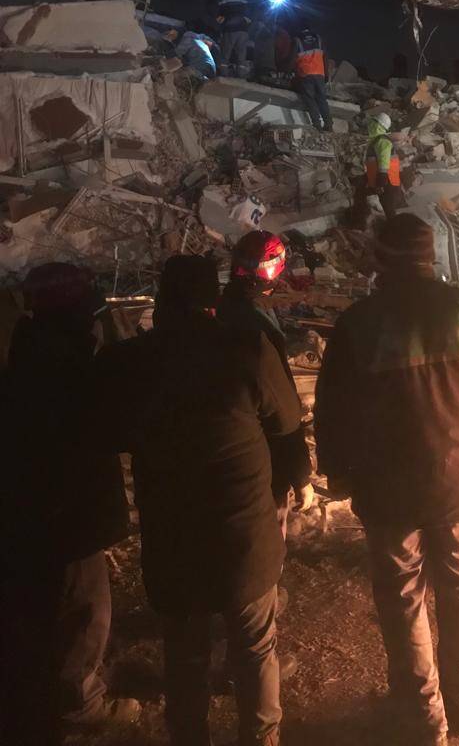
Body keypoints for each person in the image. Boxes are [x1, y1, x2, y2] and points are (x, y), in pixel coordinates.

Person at [90, 255, 309, 746]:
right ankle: (262, 739)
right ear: (213, 298)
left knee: (184, 653)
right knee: (254, 648)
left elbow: (106, 432)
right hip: (244, 532)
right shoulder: (246, 347)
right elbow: (286, 422)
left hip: (173, 535)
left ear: (163, 300)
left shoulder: (130, 361)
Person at [315, 214, 459, 745]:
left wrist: (338, 474)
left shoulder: (359, 323)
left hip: (389, 490)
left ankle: (426, 720)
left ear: (379, 259)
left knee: (404, 599)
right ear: (433, 256)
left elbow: (332, 412)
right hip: (458, 482)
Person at [1, 263, 137, 746]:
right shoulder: (64, 366)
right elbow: (112, 421)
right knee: (83, 605)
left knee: (48, 602)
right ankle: (80, 701)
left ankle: (47, 681)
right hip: (67, 512)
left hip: (39, 508)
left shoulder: (32, 345)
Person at [219, 230, 315, 536]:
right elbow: (283, 410)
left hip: (218, 453)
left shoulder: (217, 311)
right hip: (261, 455)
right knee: (264, 536)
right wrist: (300, 474)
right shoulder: (259, 330)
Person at [352, 112, 404, 223]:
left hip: (388, 182)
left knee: (389, 210)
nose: (370, 124)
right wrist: (366, 177)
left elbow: (384, 161)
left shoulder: (382, 141)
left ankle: (394, 232)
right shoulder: (376, 141)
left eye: (373, 122)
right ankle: (362, 218)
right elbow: (374, 163)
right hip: (381, 181)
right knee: (363, 193)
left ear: (378, 125)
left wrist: (382, 177)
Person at [294, 25, 331, 130]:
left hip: (306, 74)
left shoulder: (297, 39)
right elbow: (325, 56)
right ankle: (328, 125)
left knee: (310, 100)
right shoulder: (318, 38)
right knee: (322, 100)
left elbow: (292, 58)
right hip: (320, 74)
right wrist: (326, 74)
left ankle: (317, 126)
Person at [216, 0, 252, 78]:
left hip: (230, 28)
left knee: (225, 54)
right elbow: (250, 12)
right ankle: (241, 76)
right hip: (243, 30)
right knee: (241, 55)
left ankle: (223, 75)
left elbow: (216, 11)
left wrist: (221, 21)